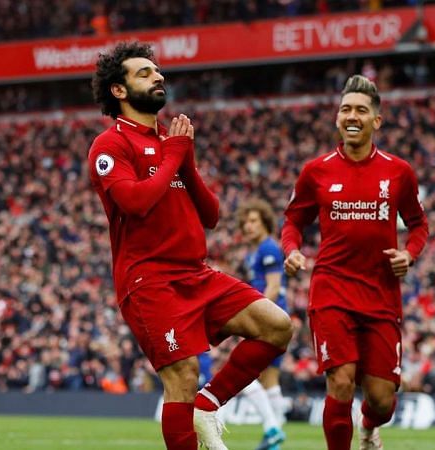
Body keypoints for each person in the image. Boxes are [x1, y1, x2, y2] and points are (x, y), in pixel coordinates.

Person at [89, 41, 293, 450]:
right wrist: (173, 156)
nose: (158, 76)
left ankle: (209, 404)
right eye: (145, 72)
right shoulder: (110, 146)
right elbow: (136, 203)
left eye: (157, 70)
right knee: (181, 373)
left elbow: (211, 214)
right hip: (150, 280)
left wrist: (186, 160)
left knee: (277, 326)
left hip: (196, 273)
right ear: (119, 90)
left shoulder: (171, 143)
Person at [281, 75, 428, 450]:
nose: (352, 115)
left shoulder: (399, 172)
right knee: (341, 381)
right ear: (337, 118)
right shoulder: (317, 171)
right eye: (345, 109)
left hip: (380, 294)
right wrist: (292, 250)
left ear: (376, 121)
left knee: (382, 401)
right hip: (331, 288)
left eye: (361, 110)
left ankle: (369, 426)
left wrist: (409, 254)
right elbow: (293, 220)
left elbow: (418, 224)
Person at [237, 199, 289, 450]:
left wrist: (256, 315)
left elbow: (274, 287)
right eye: (245, 222)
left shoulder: (268, 249)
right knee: (270, 380)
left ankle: (271, 428)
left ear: (265, 222)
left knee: (241, 375)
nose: (248, 226)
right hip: (275, 318)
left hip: (268, 319)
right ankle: (275, 440)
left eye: (254, 221)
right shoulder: (257, 251)